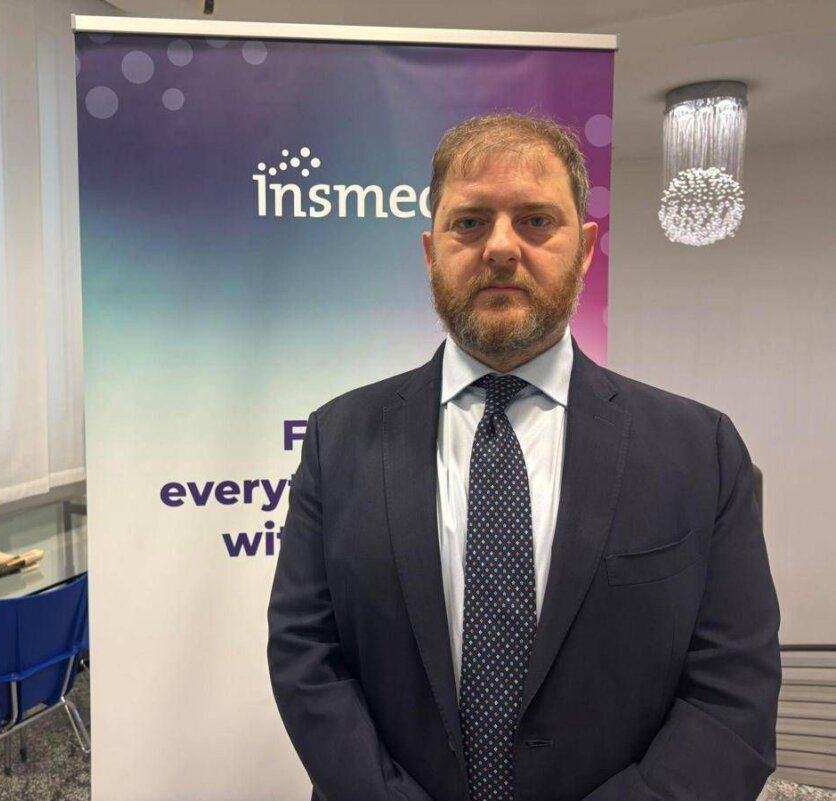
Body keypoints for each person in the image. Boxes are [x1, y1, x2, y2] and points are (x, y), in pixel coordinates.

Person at [267, 113, 780, 801]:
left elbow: (732, 695)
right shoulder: (339, 438)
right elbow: (306, 656)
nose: (502, 247)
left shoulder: (700, 451)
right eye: (470, 222)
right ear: (431, 251)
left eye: (536, 221)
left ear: (586, 248)